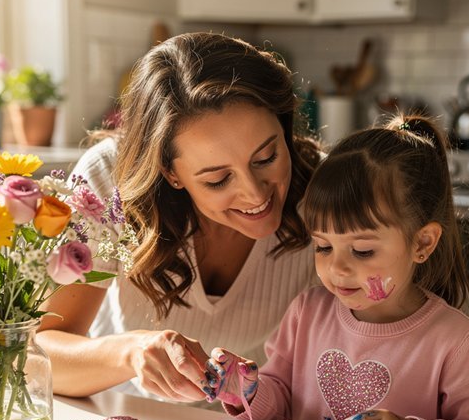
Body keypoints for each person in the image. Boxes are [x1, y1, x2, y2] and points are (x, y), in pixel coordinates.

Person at [203, 114, 469, 420]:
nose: (337, 268)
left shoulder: (457, 342)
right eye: (323, 247)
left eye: (363, 251)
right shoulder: (307, 313)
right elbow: (281, 397)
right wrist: (246, 391)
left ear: (422, 243)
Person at [36, 32, 321, 400]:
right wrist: (132, 351)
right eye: (218, 179)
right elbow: (37, 354)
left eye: (266, 158)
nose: (255, 193)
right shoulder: (108, 181)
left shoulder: (325, 196)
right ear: (170, 172)